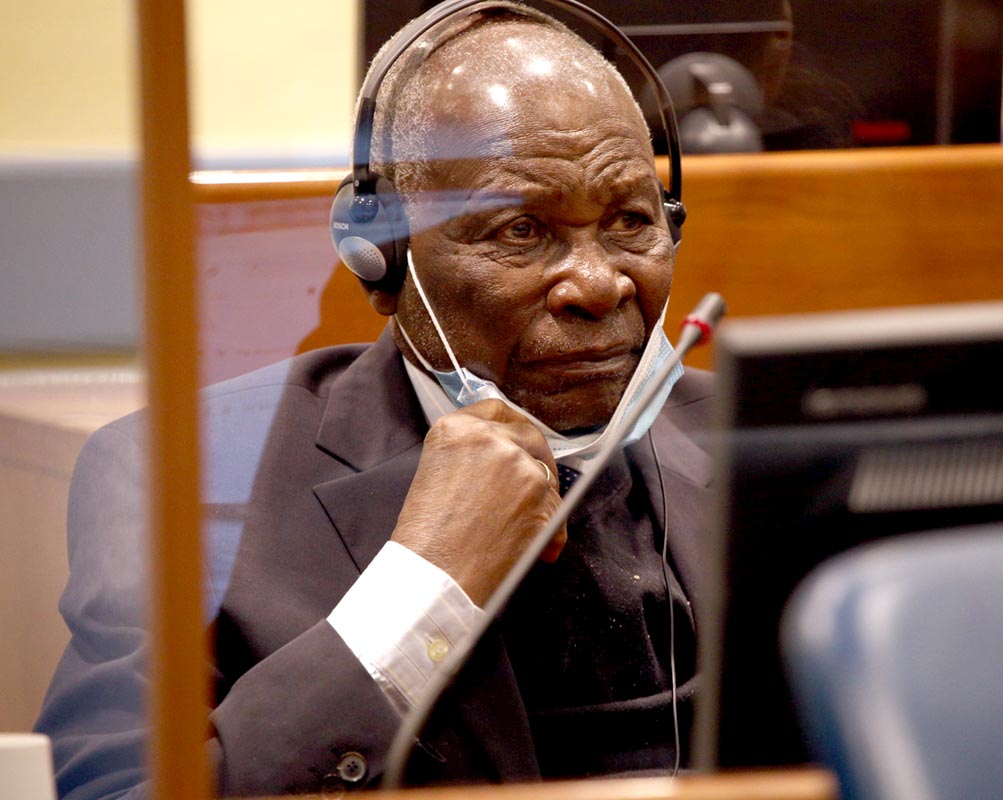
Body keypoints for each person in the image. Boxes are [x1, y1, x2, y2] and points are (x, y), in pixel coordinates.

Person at [36, 3, 716, 797]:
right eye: (521, 231)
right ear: (381, 254)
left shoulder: (755, 434)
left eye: (630, 220)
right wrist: (421, 593)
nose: (598, 286)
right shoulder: (179, 478)